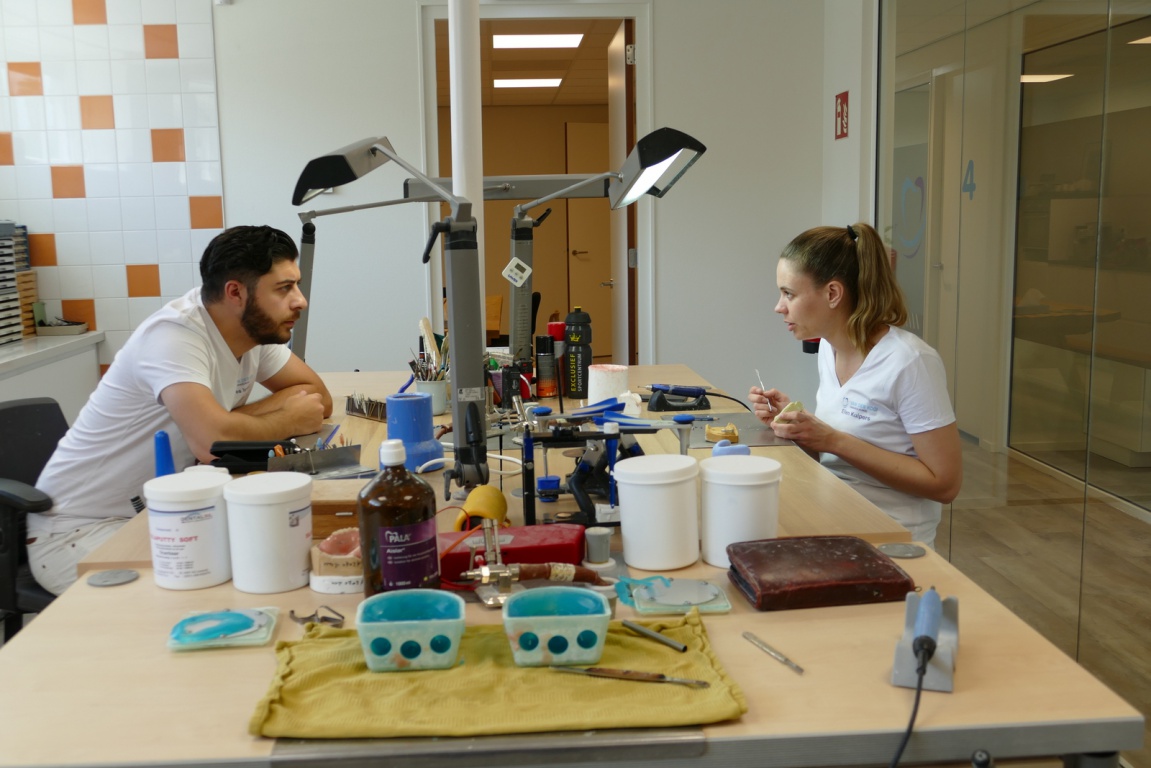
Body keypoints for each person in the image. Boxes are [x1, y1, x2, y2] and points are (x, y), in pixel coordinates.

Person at [28, 225, 334, 594]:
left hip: (174, 510)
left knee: (273, 555)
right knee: (233, 580)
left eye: (296, 285)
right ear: (235, 292)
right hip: (80, 530)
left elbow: (318, 398)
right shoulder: (174, 336)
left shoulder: (253, 330)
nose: (300, 301)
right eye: (284, 288)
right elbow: (211, 444)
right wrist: (283, 419)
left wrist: (225, 424)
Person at [750, 222, 961, 547]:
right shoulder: (828, 348)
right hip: (833, 522)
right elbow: (835, 457)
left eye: (789, 294)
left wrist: (833, 440)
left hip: (892, 542)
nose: (779, 306)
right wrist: (797, 427)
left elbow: (945, 485)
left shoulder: (910, 362)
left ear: (833, 294)